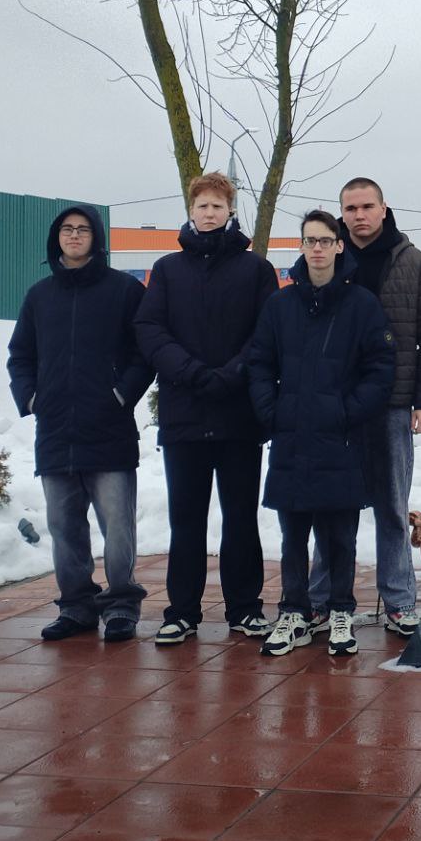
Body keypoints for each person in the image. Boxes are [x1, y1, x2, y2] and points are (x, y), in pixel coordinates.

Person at [135, 172, 279, 645]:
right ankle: (182, 611)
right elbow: (150, 330)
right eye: (202, 206)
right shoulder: (167, 269)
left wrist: (233, 373)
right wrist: (193, 373)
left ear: (230, 211)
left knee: (240, 518)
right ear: (191, 211)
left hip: (239, 417)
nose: (210, 213)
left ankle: (245, 608)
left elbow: (267, 331)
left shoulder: (255, 269)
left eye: (218, 206)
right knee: (186, 520)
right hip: (185, 414)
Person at [248, 211, 395, 657]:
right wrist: (272, 411)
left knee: (340, 537)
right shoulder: (280, 305)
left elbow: (380, 367)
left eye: (325, 240)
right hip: (291, 438)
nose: (317, 248)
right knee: (292, 537)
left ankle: (340, 612)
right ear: (301, 246)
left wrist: (348, 411)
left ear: (338, 246)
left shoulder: (361, 304)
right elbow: (260, 362)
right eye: (310, 240)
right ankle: (294, 611)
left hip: (340, 439)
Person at [306, 178, 421, 637]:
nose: (359, 215)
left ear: (384, 209)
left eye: (367, 206)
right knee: (330, 506)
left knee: (391, 507)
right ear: (341, 213)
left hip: (392, 404)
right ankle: (321, 600)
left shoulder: (413, 262)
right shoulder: (327, 259)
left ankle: (399, 601)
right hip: (335, 406)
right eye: (351, 208)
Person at [6, 205, 154, 642]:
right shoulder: (39, 296)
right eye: (67, 229)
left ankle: (122, 605)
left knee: (118, 528)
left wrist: (121, 394)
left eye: (83, 229)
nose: (74, 236)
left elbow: (144, 352)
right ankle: (76, 606)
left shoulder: (124, 290)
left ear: (96, 238)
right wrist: (31, 398)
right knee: (64, 526)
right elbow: (20, 355)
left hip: (108, 428)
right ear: (57, 237)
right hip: (56, 431)